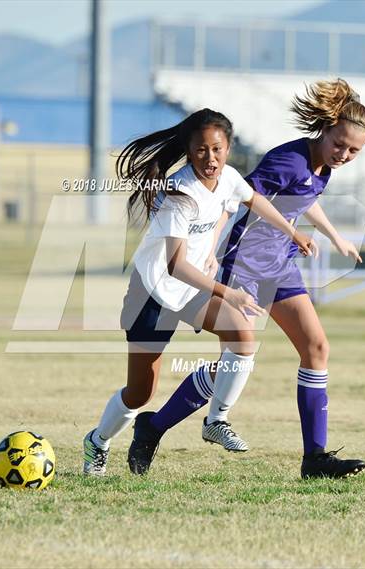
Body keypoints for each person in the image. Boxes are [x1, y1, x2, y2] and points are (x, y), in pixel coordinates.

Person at [128, 78, 365, 479]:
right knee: (237, 355)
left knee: (316, 347)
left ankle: (314, 458)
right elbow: (236, 197)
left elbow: (304, 200)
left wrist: (335, 236)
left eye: (353, 150)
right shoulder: (288, 160)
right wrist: (209, 246)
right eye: (339, 144)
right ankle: (154, 427)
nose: (344, 154)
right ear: (324, 129)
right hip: (244, 266)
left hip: (280, 265)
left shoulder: (320, 167)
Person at [82, 108, 315, 476]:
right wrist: (229, 292)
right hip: (153, 293)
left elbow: (255, 200)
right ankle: (98, 441)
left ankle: (216, 420)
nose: (211, 158)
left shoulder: (230, 178)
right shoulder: (179, 192)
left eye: (218, 150)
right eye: (202, 150)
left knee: (242, 336)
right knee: (141, 393)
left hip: (192, 291)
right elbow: (175, 266)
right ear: (189, 152)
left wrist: (293, 232)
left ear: (229, 149)